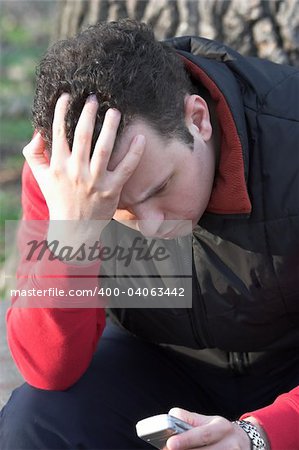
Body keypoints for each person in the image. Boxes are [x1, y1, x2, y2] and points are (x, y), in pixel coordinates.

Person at [0, 18, 298, 450]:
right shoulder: (66, 174)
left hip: (288, 370)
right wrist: (73, 233)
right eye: (119, 209)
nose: (154, 228)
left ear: (197, 119)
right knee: (35, 422)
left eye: (160, 188)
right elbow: (48, 369)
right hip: (161, 365)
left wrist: (260, 434)